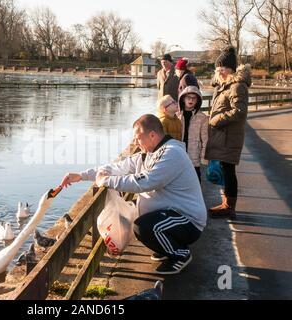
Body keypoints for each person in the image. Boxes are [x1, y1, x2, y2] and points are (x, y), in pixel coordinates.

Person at [61, 114, 206, 275]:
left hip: (188, 220)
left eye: (138, 138)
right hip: (172, 214)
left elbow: (145, 182)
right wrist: (81, 176)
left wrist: (107, 181)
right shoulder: (148, 153)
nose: (135, 142)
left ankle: (180, 254)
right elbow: (116, 167)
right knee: (139, 222)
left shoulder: (172, 154)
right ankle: (167, 247)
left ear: (152, 135)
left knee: (142, 227)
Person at [205, 46, 251, 219]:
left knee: (229, 170)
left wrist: (216, 119)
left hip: (229, 137)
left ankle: (229, 207)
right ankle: (226, 203)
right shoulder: (224, 85)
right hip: (223, 136)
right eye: (217, 69)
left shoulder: (237, 86)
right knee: (226, 169)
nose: (220, 72)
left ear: (231, 69)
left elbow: (240, 111)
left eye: (223, 68)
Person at [178, 86, 208, 183]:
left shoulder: (202, 118)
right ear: (183, 99)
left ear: (197, 101)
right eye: (188, 97)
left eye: (194, 98)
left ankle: (196, 198)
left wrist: (203, 158)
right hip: (179, 153)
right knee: (179, 181)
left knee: (195, 181)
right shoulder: (176, 115)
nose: (191, 100)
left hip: (194, 154)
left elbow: (205, 139)